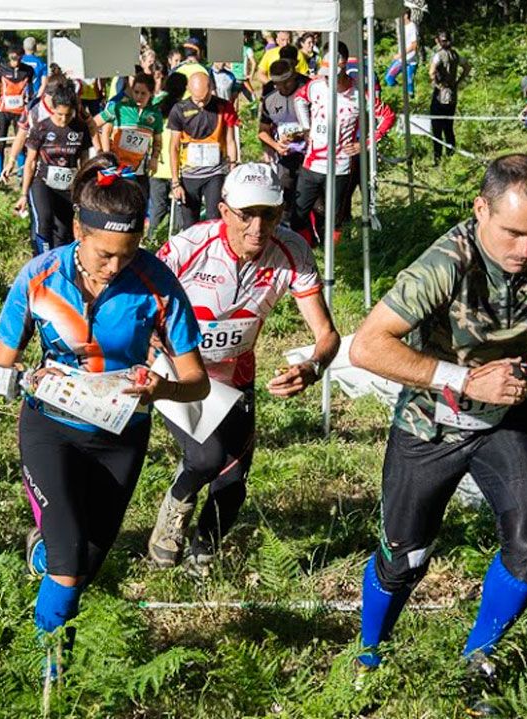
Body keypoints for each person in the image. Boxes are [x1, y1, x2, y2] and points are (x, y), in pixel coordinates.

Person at [347, 154, 527, 678]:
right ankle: (368, 655)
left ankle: (478, 656)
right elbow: (366, 346)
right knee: (404, 559)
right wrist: (465, 379)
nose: (524, 250)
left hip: (509, 419)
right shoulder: (445, 263)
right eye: (511, 233)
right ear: (480, 210)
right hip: (431, 422)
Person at [0, 153, 209, 679]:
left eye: (129, 253)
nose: (116, 267)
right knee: (69, 569)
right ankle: (52, 677)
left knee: (85, 563)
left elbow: (197, 380)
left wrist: (161, 390)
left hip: (120, 435)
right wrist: (19, 377)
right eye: (106, 254)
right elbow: (1, 364)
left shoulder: (156, 283)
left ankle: (43, 556)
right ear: (77, 230)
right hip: (49, 428)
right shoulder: (39, 276)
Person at [147, 163, 339, 569]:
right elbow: (141, 296)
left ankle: (202, 556)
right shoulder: (188, 247)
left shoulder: (292, 252)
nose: (257, 226)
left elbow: (327, 334)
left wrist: (313, 366)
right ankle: (176, 506)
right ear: (223, 210)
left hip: (235, 378)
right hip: (180, 371)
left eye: (269, 214)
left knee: (233, 483)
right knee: (204, 458)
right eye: (245, 214)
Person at [291, 43, 361, 247]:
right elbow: (299, 100)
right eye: (326, 73)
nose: (328, 79)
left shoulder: (358, 92)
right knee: (298, 213)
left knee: (335, 217)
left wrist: (363, 143)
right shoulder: (316, 85)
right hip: (312, 163)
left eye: (333, 74)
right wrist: (306, 128)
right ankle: (307, 249)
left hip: (340, 166)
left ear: (344, 65)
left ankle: (337, 256)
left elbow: (384, 116)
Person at [16, 84, 93, 255]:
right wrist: (23, 194)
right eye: (59, 115)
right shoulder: (41, 128)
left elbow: (84, 160)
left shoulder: (80, 128)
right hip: (42, 182)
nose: (64, 120)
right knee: (44, 221)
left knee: (64, 230)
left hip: (67, 185)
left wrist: (83, 188)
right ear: (52, 109)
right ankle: (42, 261)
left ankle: (59, 265)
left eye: (68, 115)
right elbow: (30, 162)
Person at [167, 73, 239, 233]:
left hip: (216, 172)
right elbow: (174, 147)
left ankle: (214, 252)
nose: (201, 104)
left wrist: (233, 170)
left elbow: (230, 140)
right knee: (189, 224)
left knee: (215, 218)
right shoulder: (179, 109)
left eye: (205, 99)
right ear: (189, 90)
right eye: (197, 99)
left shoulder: (224, 106)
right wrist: (175, 182)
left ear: (212, 89)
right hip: (189, 174)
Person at [95, 73, 163, 208]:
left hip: (139, 170)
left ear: (151, 93)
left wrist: (154, 158)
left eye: (143, 93)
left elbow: (157, 141)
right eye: (136, 92)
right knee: (116, 207)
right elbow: (93, 124)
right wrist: (102, 152)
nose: (139, 97)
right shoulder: (119, 107)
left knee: (138, 207)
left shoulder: (155, 114)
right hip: (116, 169)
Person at [257, 59, 306, 229]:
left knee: (312, 198)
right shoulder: (270, 97)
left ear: (294, 77)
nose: (283, 88)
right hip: (285, 155)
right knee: (285, 195)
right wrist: (275, 146)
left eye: (286, 83)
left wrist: (302, 135)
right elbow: (262, 130)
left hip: (311, 154)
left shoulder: (306, 91)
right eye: (278, 84)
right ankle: (285, 232)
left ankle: (314, 235)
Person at [145, 72, 186, 241]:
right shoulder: (184, 109)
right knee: (179, 209)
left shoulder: (155, 107)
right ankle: (177, 240)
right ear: (184, 89)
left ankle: (151, 239)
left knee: (157, 208)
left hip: (157, 165)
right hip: (179, 166)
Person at [0, 44, 37, 178]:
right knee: (1, 141)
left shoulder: (27, 70)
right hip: (3, 110)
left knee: (21, 141)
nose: (15, 62)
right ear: (9, 57)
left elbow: (31, 89)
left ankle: (20, 172)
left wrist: (29, 105)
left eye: (18, 59)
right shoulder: (0, 69)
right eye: (13, 59)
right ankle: (0, 172)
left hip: (20, 111)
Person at [428, 31, 471, 166]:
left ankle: (438, 159)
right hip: (452, 94)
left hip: (440, 93)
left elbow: (431, 71)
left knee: (436, 127)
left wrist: (437, 82)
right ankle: (451, 156)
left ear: (439, 41)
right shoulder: (455, 55)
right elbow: (467, 67)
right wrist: (458, 81)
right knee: (449, 127)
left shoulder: (438, 55)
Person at [383, 10, 420, 96]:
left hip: (411, 61)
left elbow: (414, 45)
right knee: (389, 78)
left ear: (406, 15)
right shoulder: (401, 27)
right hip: (401, 60)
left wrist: (400, 54)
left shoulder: (412, 27)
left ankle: (411, 100)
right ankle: (400, 92)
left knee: (409, 84)